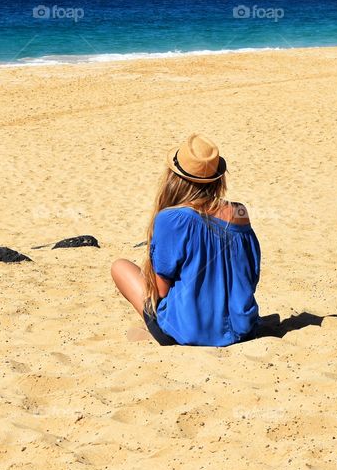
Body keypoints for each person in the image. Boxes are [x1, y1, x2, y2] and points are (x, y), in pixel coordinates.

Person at [111, 134, 261, 347]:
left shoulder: (172, 218)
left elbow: (161, 290)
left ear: (175, 178)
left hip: (187, 332)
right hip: (243, 329)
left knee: (120, 267)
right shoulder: (239, 212)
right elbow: (251, 275)